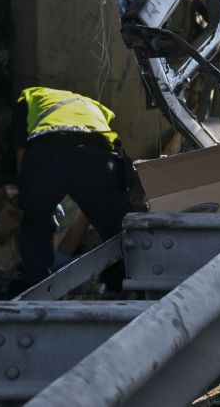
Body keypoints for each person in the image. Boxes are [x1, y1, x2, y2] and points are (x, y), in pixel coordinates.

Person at [14, 86, 132, 288]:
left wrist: (31, 194)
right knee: (118, 229)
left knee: (35, 227)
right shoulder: (97, 108)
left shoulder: (31, 96)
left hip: (45, 155)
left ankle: (35, 286)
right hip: (95, 159)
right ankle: (123, 285)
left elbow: (20, 151)